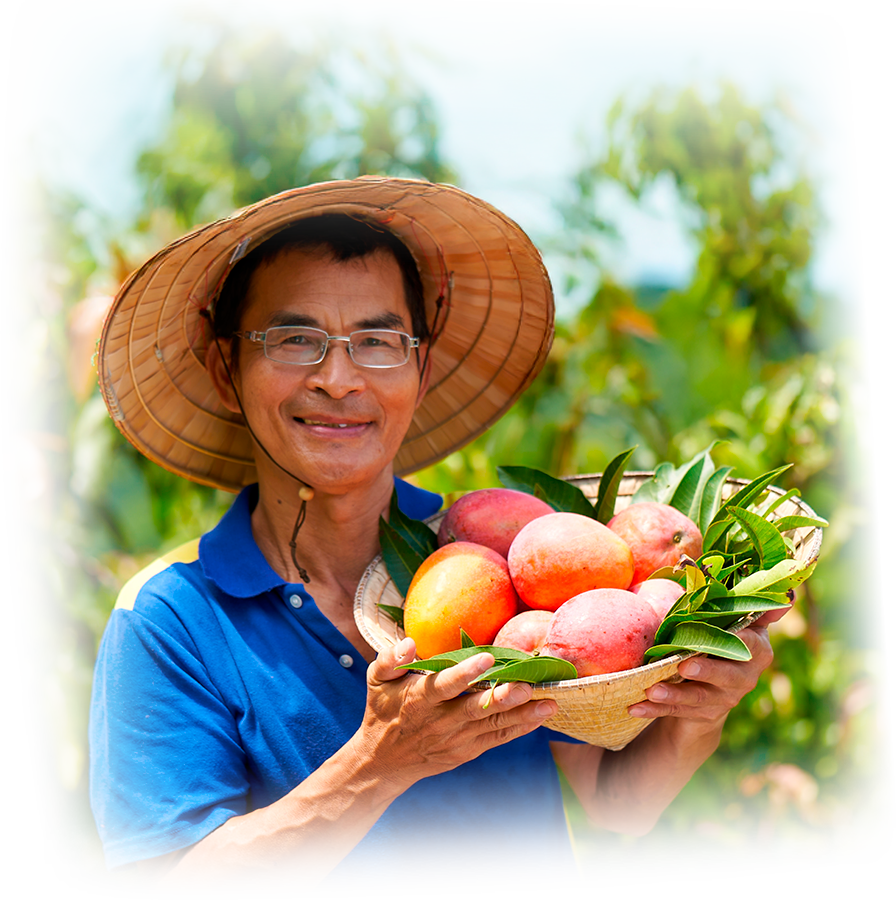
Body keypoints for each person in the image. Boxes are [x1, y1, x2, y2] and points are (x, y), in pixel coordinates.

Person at [89, 177, 786, 900]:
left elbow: (621, 800)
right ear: (225, 368)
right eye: (295, 339)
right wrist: (381, 762)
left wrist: (700, 711)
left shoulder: (509, 566)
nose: (337, 377)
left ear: (421, 369)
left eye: (378, 341)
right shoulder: (172, 619)